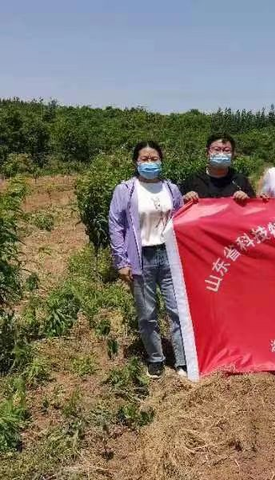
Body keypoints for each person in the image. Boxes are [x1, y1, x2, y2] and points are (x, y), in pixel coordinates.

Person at [108, 141, 186, 379]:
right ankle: (156, 359)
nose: (150, 163)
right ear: (136, 162)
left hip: (169, 256)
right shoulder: (126, 190)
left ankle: (183, 360)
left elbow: (183, 219)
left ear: (161, 160)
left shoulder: (171, 189)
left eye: (154, 158)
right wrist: (121, 261)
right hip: (141, 257)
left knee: (177, 310)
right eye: (145, 159)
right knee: (147, 313)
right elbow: (116, 225)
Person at [181, 133, 255, 203]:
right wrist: (185, 198)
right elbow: (177, 207)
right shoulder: (193, 180)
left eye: (226, 150)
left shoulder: (240, 180)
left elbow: (254, 209)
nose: (221, 154)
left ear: (232, 155)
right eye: (216, 149)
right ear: (207, 153)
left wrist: (246, 200)